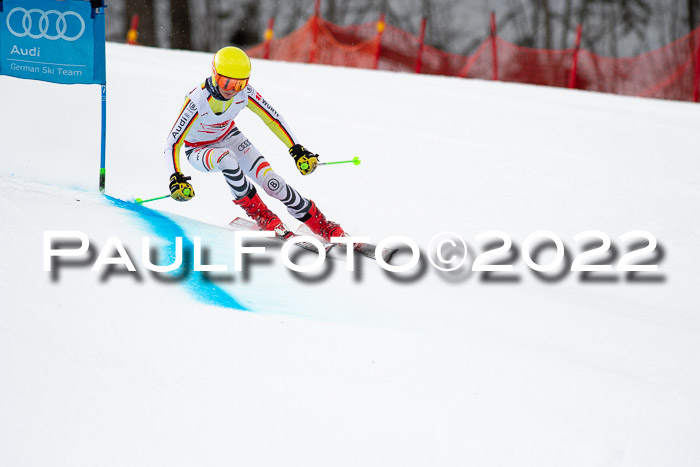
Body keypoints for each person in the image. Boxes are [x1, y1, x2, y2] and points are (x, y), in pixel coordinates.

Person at [164, 46, 346, 241]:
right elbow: (172, 142)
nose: (232, 90)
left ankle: (320, 223)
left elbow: (273, 119)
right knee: (227, 159)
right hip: (199, 150)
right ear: (215, 75)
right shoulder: (198, 99)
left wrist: (296, 149)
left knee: (273, 183)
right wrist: (176, 177)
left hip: (231, 138)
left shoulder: (245, 93)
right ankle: (261, 214)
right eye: (226, 82)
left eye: (239, 85)